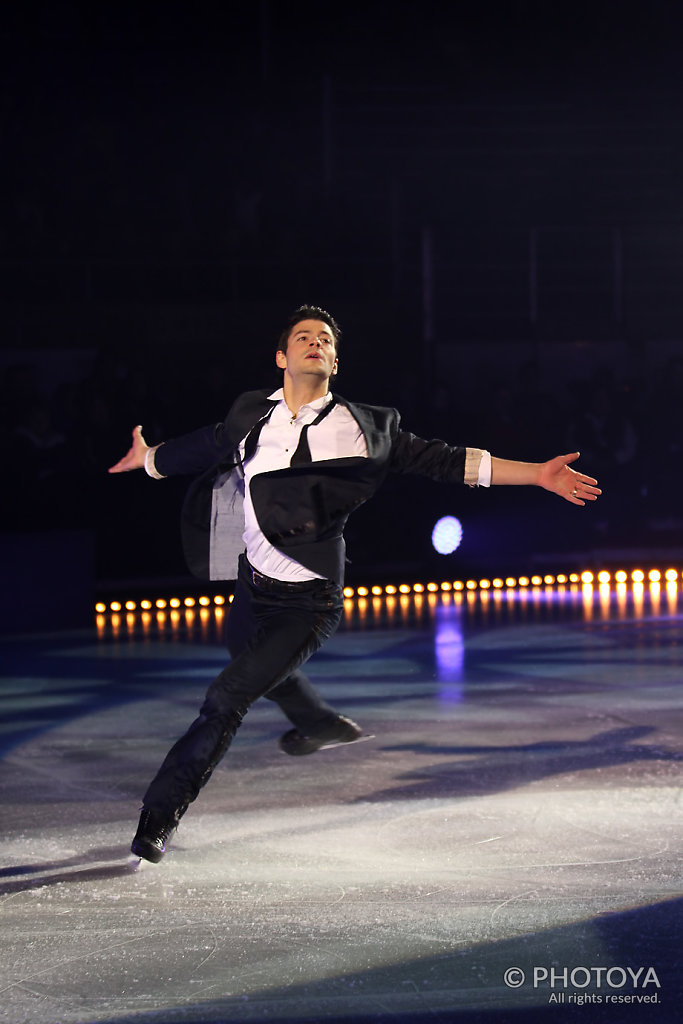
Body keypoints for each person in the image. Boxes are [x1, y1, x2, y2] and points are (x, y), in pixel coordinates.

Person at [109, 305, 601, 863]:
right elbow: (208, 443)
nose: (314, 343)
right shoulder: (251, 412)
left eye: (324, 339)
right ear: (282, 357)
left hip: (307, 603)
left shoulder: (366, 426)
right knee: (247, 661)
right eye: (302, 337)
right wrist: (149, 459)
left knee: (226, 696)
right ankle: (318, 724)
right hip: (252, 586)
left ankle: (159, 816)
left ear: (335, 361)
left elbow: (444, 461)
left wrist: (536, 473)